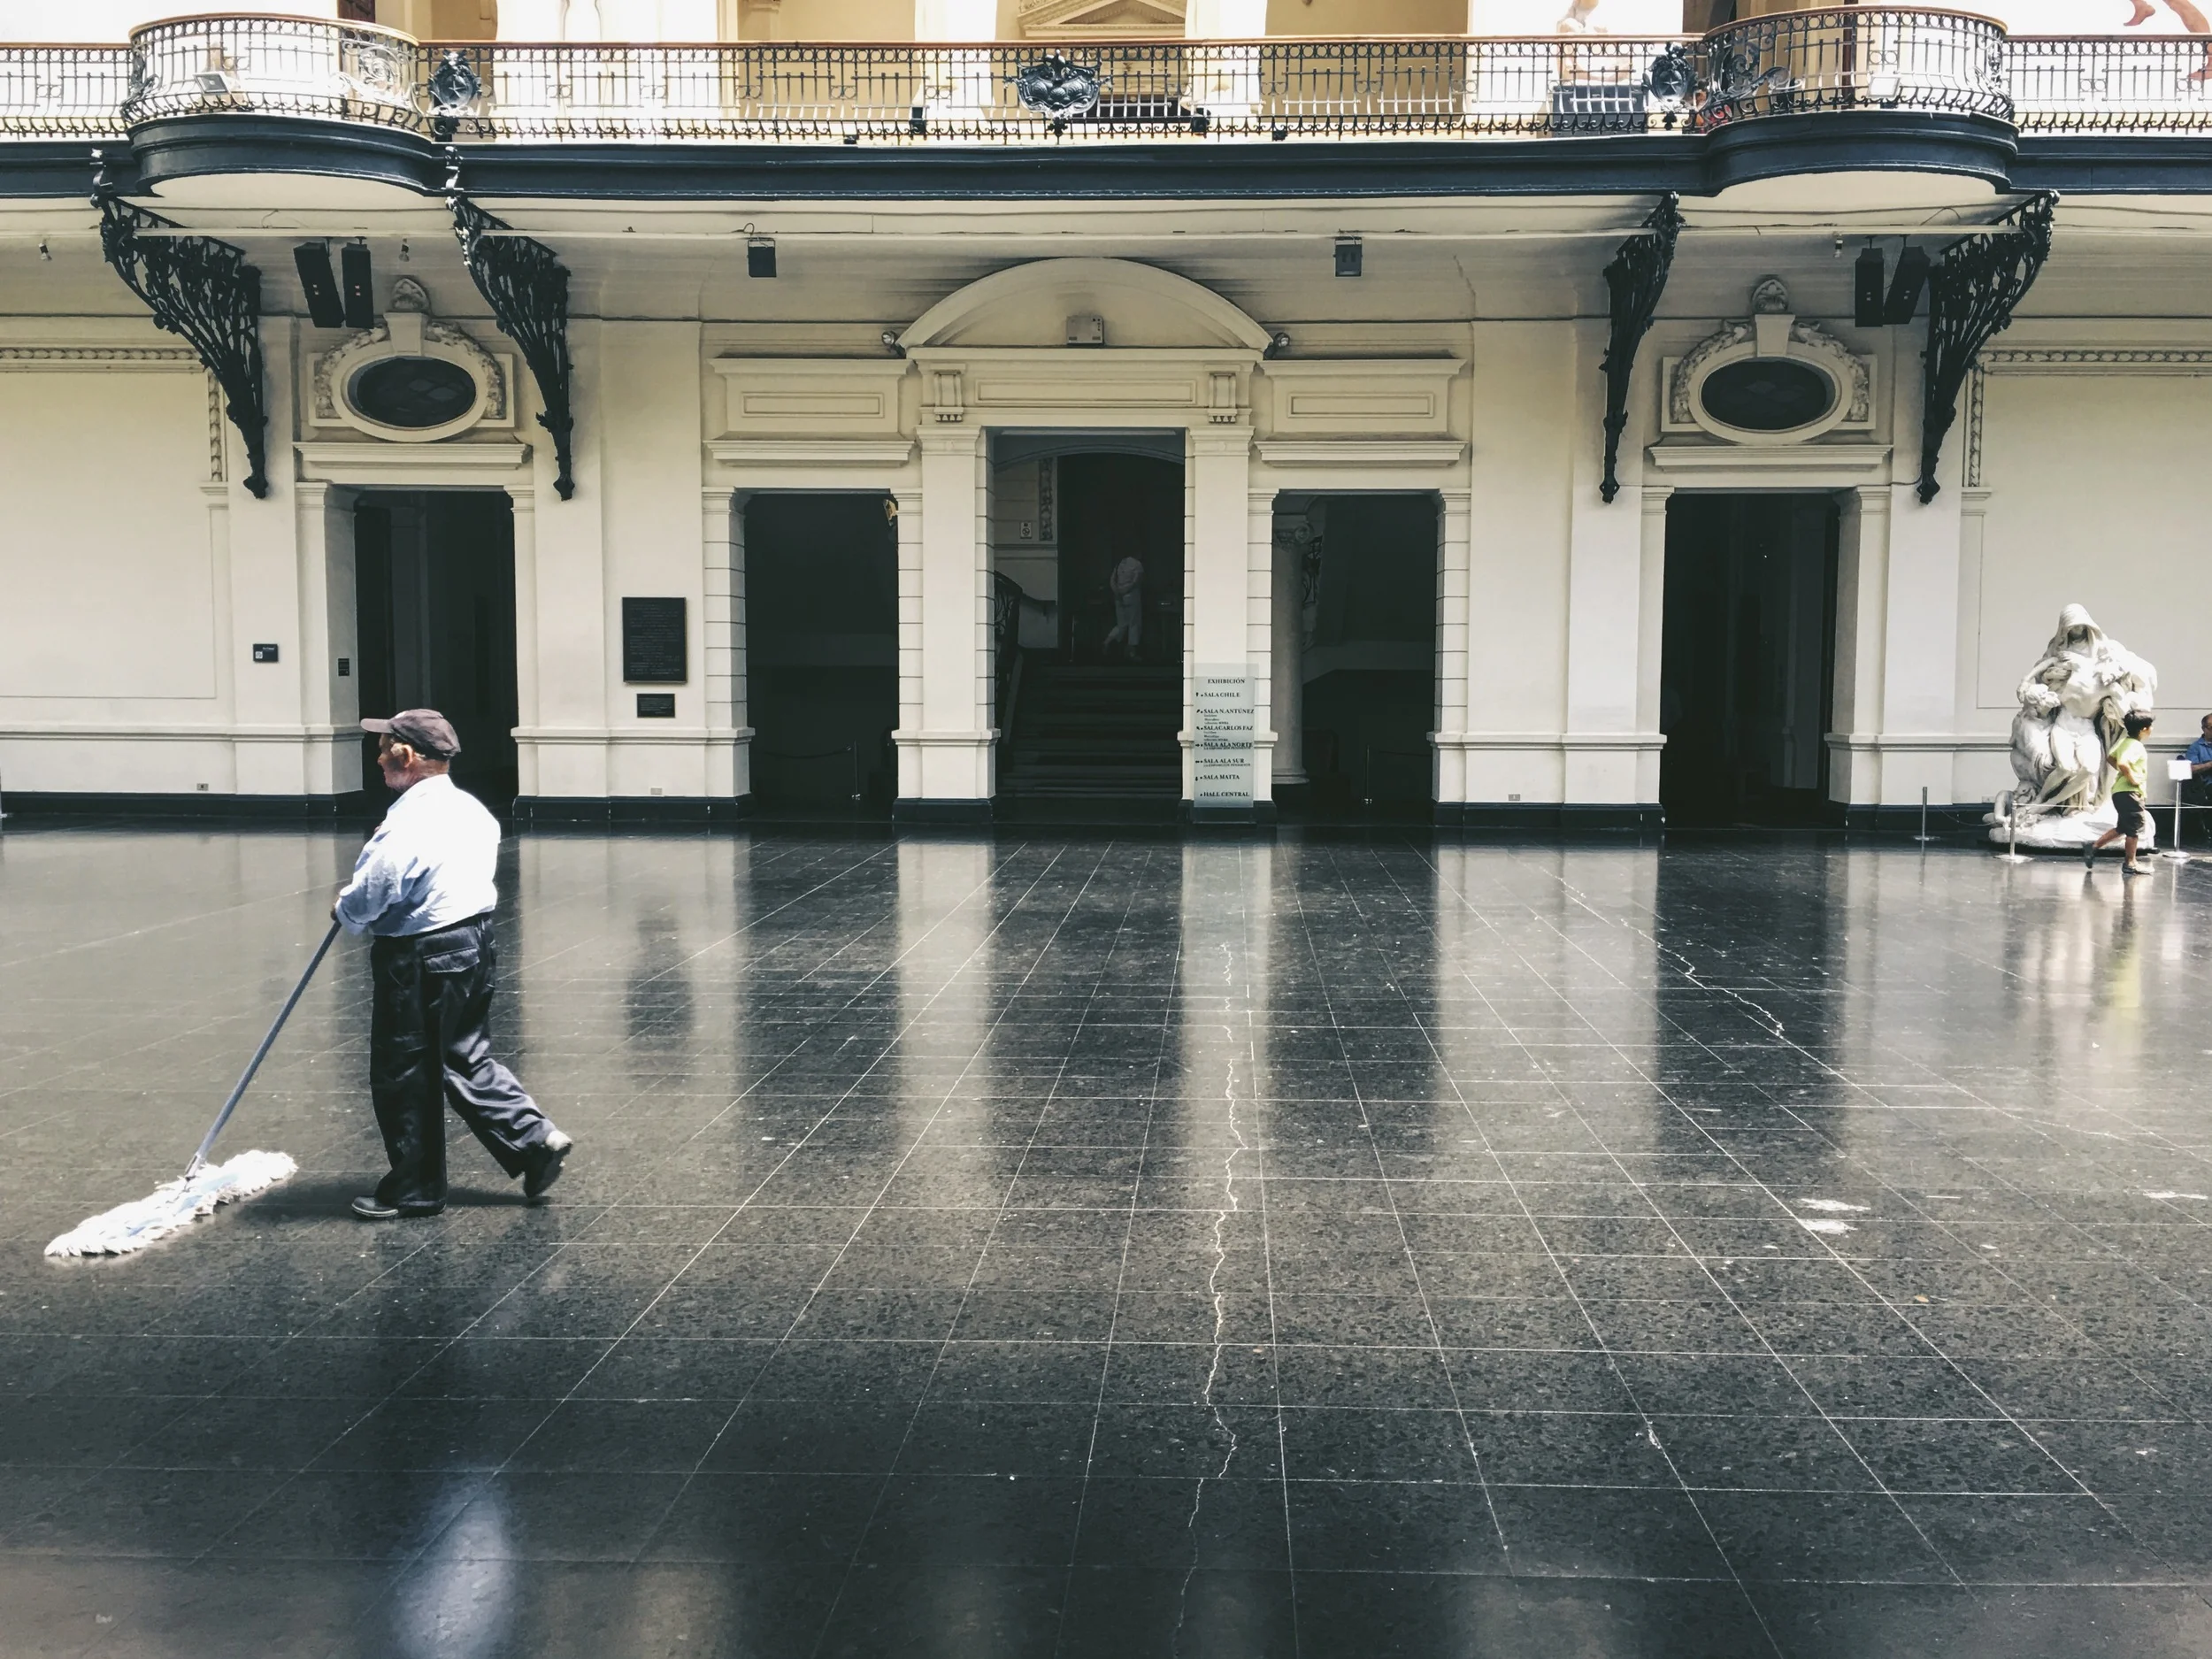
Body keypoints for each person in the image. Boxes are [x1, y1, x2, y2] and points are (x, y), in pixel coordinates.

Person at [335, 709, 571, 1219]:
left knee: (405, 1070)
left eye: (384, 749)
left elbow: (379, 886)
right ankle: (533, 1139)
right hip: (473, 943)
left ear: (406, 754)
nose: (378, 760)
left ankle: (414, 1189)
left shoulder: (410, 819)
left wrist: (347, 910)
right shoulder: (472, 810)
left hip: (420, 955)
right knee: (464, 1055)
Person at [2087, 709, 2156, 876]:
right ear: (2144, 729)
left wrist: (2122, 773)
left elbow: (2112, 758)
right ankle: (2130, 863)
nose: (2152, 729)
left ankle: (2093, 847)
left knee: (2124, 827)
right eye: (2150, 726)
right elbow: (2124, 763)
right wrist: (2132, 778)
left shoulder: (2125, 742)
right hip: (2130, 792)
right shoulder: (2136, 746)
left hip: (2121, 791)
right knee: (2134, 829)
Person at [1102, 553, 1144, 662]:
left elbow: (1112, 580)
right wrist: (1126, 590)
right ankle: (1131, 653)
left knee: (1121, 625)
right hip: (1132, 597)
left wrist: (1118, 592)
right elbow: (1136, 581)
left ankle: (1107, 642)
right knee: (1134, 624)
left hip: (1118, 598)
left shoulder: (1120, 564)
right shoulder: (1137, 564)